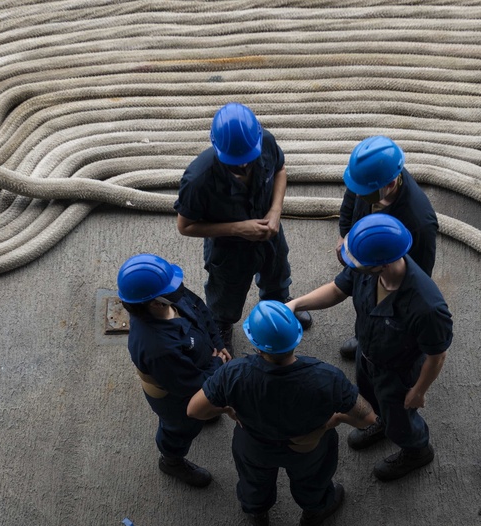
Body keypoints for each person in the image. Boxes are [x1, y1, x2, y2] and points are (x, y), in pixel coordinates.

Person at [187, 301, 377, 526]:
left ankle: (258, 516)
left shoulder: (233, 374)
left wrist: (226, 410)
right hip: (308, 446)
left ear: (257, 346)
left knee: (253, 481)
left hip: (254, 444)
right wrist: (333, 421)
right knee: (313, 480)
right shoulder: (327, 378)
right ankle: (315, 512)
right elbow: (367, 418)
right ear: (296, 338)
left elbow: (195, 410)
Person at [287, 214, 452, 482]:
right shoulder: (368, 268)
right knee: (369, 398)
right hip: (368, 355)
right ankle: (382, 423)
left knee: (401, 418)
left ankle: (416, 450)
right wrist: (296, 304)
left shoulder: (426, 306)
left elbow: (437, 355)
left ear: (381, 265)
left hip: (399, 374)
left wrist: (419, 391)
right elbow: (338, 290)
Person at [175, 102, 312, 355]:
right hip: (228, 248)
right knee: (226, 292)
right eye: (235, 163)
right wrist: (238, 229)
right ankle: (222, 324)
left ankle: (279, 305)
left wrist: (275, 212)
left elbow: (281, 170)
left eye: (249, 160)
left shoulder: (265, 142)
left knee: (278, 272)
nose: (243, 167)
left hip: (270, 233)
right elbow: (185, 226)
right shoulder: (198, 180)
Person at [118, 253, 230, 488]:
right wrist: (218, 365)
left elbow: (200, 309)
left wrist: (218, 343)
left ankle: (204, 412)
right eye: (173, 286)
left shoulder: (167, 295)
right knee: (179, 427)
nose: (179, 287)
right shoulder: (157, 348)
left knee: (202, 409)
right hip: (176, 395)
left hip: (202, 365)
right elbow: (187, 383)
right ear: (155, 303)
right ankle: (171, 461)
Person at [336, 136, 438, 360]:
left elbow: (420, 273)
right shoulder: (370, 179)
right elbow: (350, 203)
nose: (358, 193)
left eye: (363, 191)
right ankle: (364, 337)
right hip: (372, 258)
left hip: (389, 271)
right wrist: (346, 236)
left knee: (386, 317)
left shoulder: (418, 223)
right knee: (364, 301)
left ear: (391, 184)